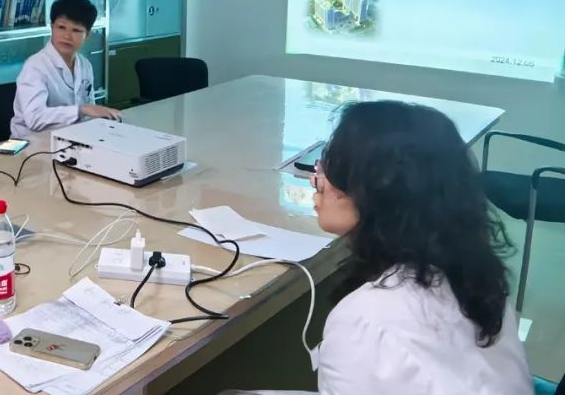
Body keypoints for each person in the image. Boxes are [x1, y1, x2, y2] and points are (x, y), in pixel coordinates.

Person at [226, 100, 531, 395]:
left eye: (330, 168)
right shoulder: (474, 275)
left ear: (373, 193)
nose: (316, 180)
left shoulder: (365, 320)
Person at [10, 0, 120, 137]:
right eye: (61, 27)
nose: (67, 36)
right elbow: (34, 119)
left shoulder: (85, 65)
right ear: (52, 27)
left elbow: (90, 110)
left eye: (76, 30)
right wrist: (80, 110)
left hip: (71, 137)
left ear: (87, 35)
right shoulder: (35, 66)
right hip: (32, 142)